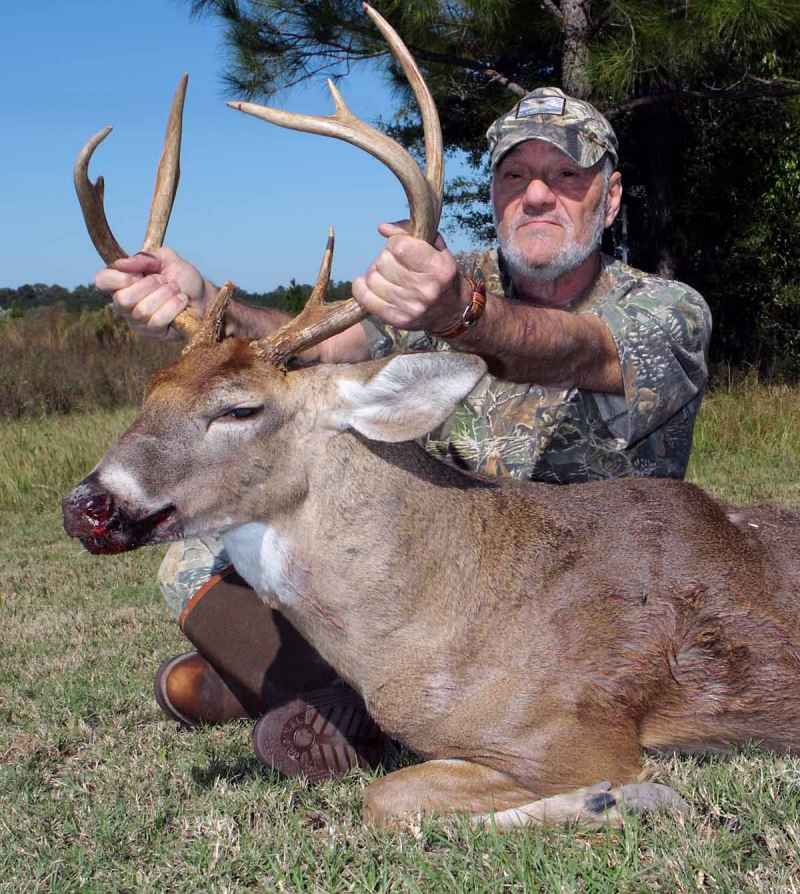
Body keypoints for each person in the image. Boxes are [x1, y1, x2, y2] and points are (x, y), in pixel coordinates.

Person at [97, 87, 711, 780]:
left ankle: (298, 692)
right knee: (199, 560)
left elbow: (579, 352)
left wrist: (463, 315)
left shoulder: (666, 310)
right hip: (437, 580)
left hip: (586, 597)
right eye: (515, 176)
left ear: (611, 196)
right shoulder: (446, 282)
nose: (538, 194)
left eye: (567, 176)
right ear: (497, 194)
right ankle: (341, 697)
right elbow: (318, 356)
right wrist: (209, 303)